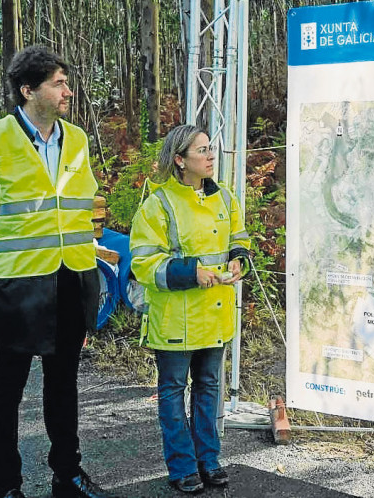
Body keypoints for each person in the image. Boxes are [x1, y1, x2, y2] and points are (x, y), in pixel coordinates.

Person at [0, 46, 118, 498]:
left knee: (63, 385)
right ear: (29, 91)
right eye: (58, 83)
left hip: (72, 280)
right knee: (6, 390)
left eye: (66, 81)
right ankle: (6, 486)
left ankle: (67, 475)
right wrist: (10, 264)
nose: (68, 90)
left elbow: (79, 207)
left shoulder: (79, 139)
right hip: (20, 286)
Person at [129, 124, 251, 494]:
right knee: (173, 390)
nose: (211, 155)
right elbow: (144, 262)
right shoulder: (159, 203)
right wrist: (191, 273)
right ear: (180, 160)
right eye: (202, 151)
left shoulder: (226, 198)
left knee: (209, 387)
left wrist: (238, 262)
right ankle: (182, 466)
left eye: (210, 148)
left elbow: (240, 240)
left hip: (215, 313)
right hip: (175, 317)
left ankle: (209, 461)